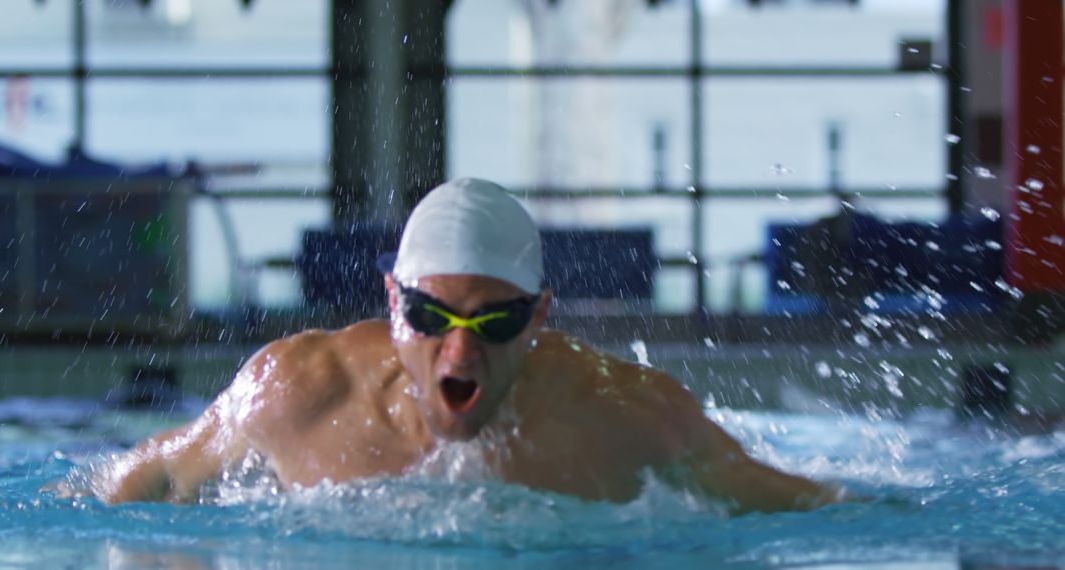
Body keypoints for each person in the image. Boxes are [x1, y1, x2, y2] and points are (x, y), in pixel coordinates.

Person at [79, 177, 846, 512]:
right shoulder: (297, 393)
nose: (458, 354)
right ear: (393, 302)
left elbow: (805, 510)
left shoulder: (630, 417)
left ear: (540, 317)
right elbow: (131, 487)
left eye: (495, 323)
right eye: (432, 317)